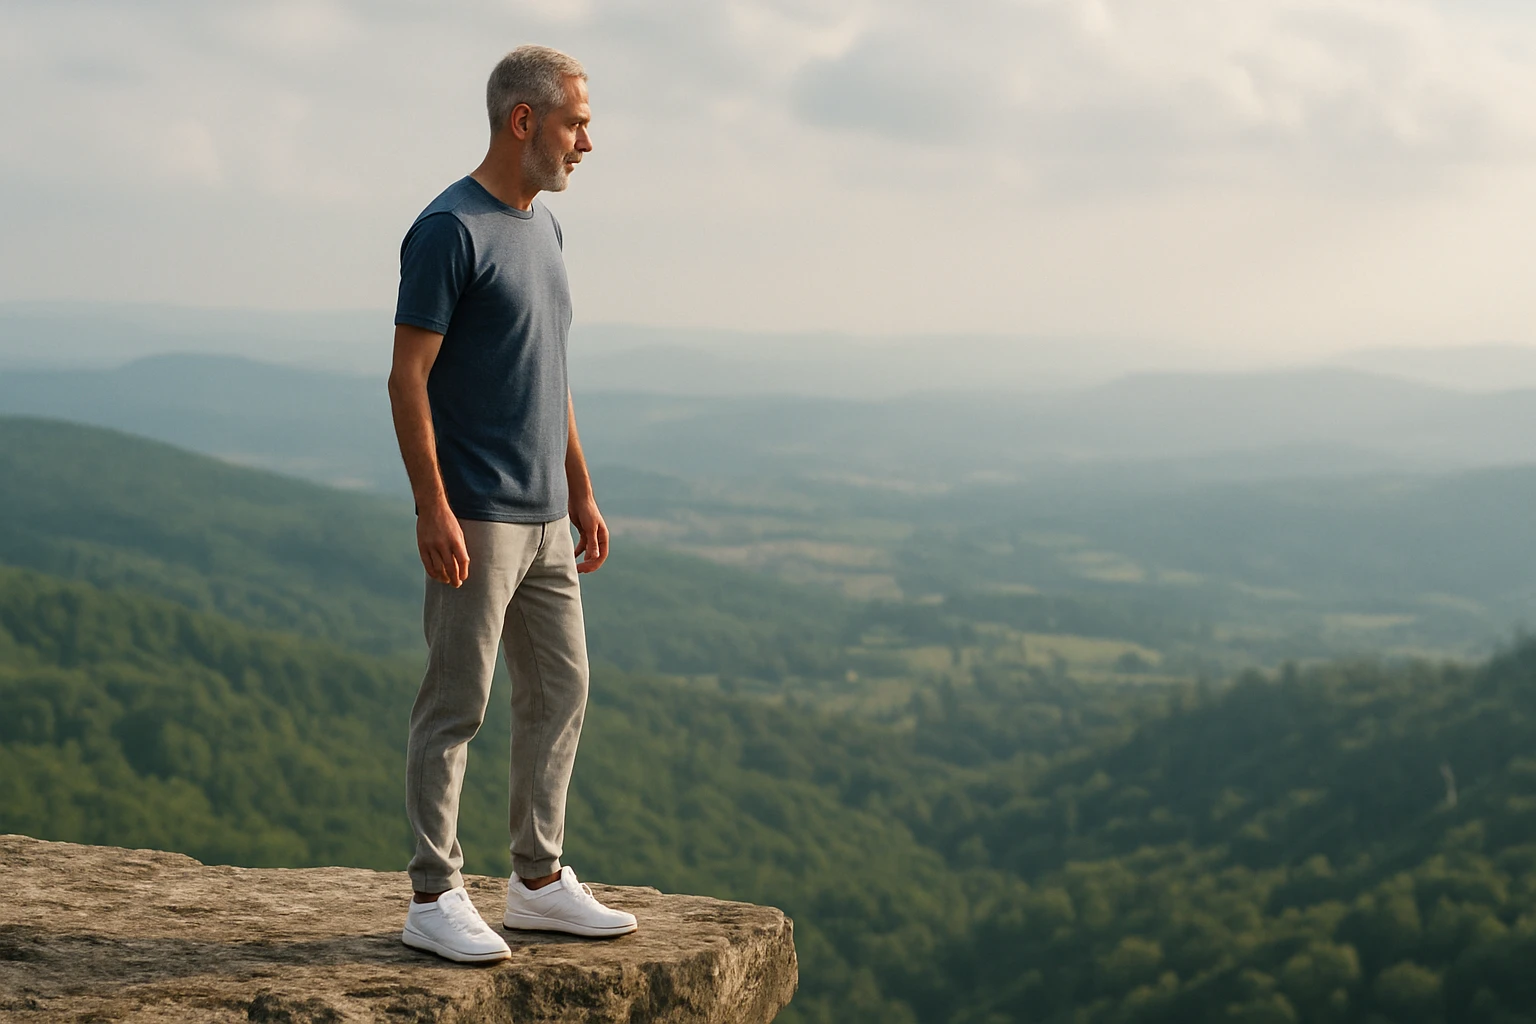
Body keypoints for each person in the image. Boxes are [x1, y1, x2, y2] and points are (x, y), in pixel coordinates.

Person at [387, 44, 635, 964]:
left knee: (562, 688)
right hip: (479, 516)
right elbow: (407, 379)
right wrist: (432, 507)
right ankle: (433, 893)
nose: (587, 143)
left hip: (544, 520)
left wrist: (580, 489)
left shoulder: (544, 231)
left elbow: (550, 373)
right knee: (457, 704)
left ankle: (535, 882)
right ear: (522, 120)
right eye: (576, 122)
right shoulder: (449, 230)